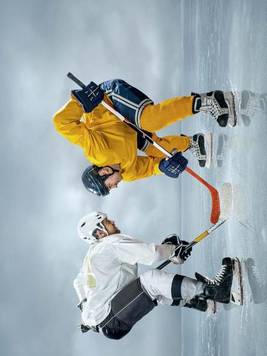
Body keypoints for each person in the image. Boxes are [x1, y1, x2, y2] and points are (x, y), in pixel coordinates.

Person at [53, 79, 237, 196]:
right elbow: (150, 167)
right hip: (128, 131)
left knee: (149, 120)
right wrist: (164, 167)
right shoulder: (127, 173)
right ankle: (195, 143)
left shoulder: (97, 152)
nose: (114, 188)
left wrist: (80, 102)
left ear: (103, 173)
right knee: (158, 152)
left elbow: (61, 122)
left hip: (108, 102)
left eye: (108, 187)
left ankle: (208, 102)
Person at [74, 211, 236, 340]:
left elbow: (79, 282)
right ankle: (216, 291)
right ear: (99, 233)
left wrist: (86, 314)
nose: (113, 221)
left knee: (152, 294)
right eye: (107, 222)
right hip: (111, 318)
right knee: (150, 281)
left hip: (106, 321)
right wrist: (173, 249)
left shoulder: (92, 255)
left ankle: (200, 302)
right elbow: (151, 255)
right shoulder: (109, 244)